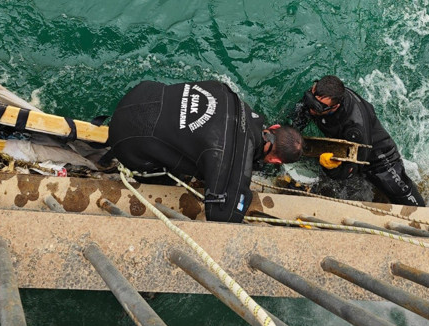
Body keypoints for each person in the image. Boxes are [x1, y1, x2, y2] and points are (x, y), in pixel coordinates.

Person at [108, 80, 304, 222]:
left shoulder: (233, 98)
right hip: (126, 141)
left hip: (142, 93)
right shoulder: (234, 162)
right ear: (276, 162)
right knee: (175, 177)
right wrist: (244, 193)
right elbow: (222, 215)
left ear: (275, 127)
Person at [292, 75, 425, 206]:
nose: (311, 109)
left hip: (378, 159)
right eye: (311, 101)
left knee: (406, 197)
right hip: (344, 144)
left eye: (318, 108)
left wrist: (331, 169)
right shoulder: (321, 97)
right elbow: (295, 122)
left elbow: (351, 169)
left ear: (335, 107)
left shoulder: (355, 128)